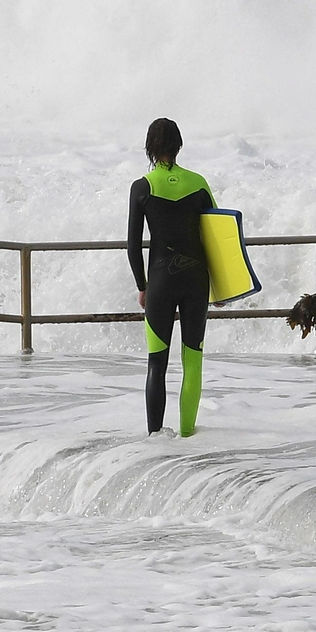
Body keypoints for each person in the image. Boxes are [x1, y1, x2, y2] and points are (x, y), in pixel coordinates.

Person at [127, 117, 214, 436]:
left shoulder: (143, 187)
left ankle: (155, 438)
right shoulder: (199, 183)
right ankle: (188, 435)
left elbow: (132, 246)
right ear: (178, 146)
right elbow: (218, 237)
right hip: (196, 281)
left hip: (160, 281)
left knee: (156, 363)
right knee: (193, 361)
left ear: (150, 147)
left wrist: (142, 286)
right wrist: (223, 287)